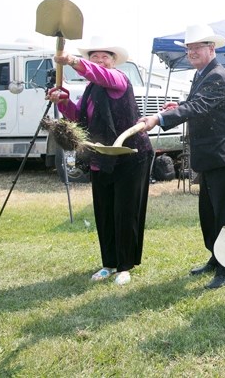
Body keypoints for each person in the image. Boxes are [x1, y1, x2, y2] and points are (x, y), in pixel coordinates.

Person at [139, 24, 225, 290]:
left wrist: (161, 117)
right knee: (209, 214)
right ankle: (216, 258)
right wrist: (177, 108)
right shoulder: (202, 75)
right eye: (189, 48)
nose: (192, 52)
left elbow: (198, 106)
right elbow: (198, 107)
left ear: (211, 49)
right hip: (211, 156)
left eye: (197, 47)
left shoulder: (217, 76)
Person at [47, 36, 152, 286]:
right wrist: (63, 102)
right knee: (104, 211)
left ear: (114, 62)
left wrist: (72, 61)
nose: (100, 60)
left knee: (125, 211)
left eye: (106, 56)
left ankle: (125, 266)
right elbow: (79, 118)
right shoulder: (90, 91)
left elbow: (102, 76)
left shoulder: (118, 80)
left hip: (131, 156)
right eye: (94, 56)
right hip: (102, 158)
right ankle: (108, 264)